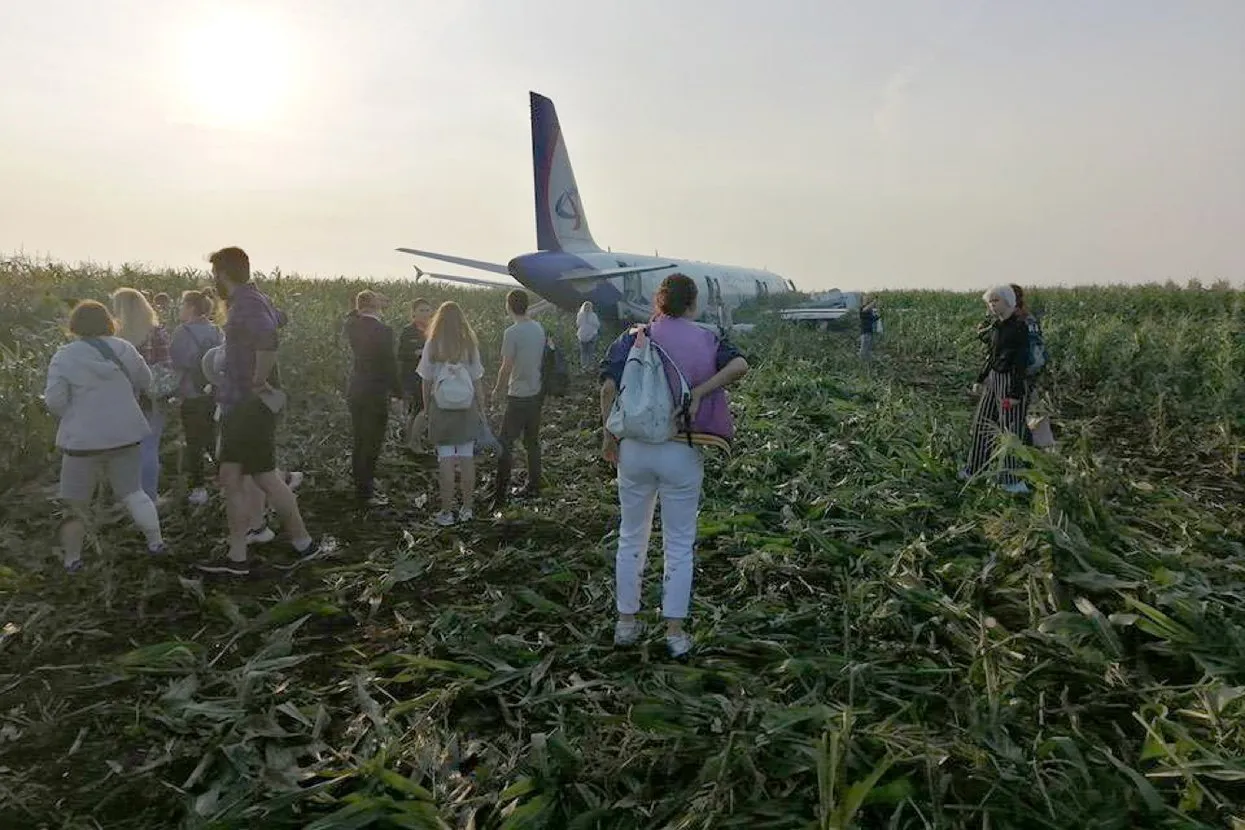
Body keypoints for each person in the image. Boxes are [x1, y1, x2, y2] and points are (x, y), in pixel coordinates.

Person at [599, 274, 750, 659]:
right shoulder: (706, 337)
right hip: (682, 447)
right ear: (691, 303)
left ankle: (626, 624)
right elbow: (740, 365)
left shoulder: (633, 336)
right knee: (679, 543)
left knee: (631, 536)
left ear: (659, 303)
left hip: (634, 449)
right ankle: (675, 632)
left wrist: (608, 435)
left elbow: (606, 388)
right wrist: (700, 391)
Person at [198, 246, 318, 576]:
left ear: (223, 274)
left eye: (214, 274)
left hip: (247, 406)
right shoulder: (253, 300)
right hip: (245, 404)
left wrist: (258, 379)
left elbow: (268, 338)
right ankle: (241, 554)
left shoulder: (246, 305)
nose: (213, 280)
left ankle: (301, 543)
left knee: (263, 477)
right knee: (235, 476)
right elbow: (279, 319)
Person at [43, 301, 167, 571]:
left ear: (75, 325)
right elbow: (146, 382)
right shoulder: (124, 349)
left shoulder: (64, 356)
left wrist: (76, 415)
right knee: (134, 492)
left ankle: (73, 560)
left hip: (82, 442)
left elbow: (54, 400)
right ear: (108, 322)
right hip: (125, 434)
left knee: (76, 504)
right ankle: (156, 542)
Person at [417, 301, 486, 526]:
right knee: (466, 459)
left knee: (445, 459)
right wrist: (482, 408)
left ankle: (447, 512)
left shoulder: (433, 343)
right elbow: (477, 380)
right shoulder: (469, 344)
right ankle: (467, 509)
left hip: (442, 407)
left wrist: (427, 409)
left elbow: (426, 381)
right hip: (466, 407)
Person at [961, 285, 1030, 494]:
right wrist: (980, 378)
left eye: (996, 301)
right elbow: (991, 356)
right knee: (982, 423)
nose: (992, 305)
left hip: (1010, 382)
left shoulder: (1019, 328)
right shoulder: (996, 327)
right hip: (994, 380)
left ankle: (1012, 482)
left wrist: (1015, 394)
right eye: (990, 302)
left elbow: (1021, 361)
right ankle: (975, 469)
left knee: (1010, 431)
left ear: (1009, 301)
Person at [112, 288, 174, 502]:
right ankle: (149, 497)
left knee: (124, 450)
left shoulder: (114, 337)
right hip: (151, 398)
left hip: (121, 399)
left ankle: (127, 496)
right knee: (149, 447)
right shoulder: (156, 332)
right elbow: (167, 366)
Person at [344, 290, 402, 504]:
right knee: (372, 443)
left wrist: (366, 303)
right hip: (375, 393)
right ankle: (365, 493)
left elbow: (352, 315)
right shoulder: (384, 331)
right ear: (376, 306)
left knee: (359, 440)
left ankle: (361, 487)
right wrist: (398, 393)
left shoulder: (352, 325)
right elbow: (389, 364)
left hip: (356, 390)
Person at [492, 290, 546, 506]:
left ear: (509, 306)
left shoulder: (512, 333)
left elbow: (506, 367)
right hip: (536, 390)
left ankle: (500, 493)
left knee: (505, 442)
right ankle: (535, 482)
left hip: (518, 393)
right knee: (532, 441)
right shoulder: (538, 328)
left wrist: (497, 389)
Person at [170, 290, 223, 506]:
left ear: (191, 308)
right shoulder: (217, 330)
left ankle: (198, 487)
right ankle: (226, 480)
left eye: (182, 305)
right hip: (214, 392)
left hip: (191, 393)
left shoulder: (182, 332)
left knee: (193, 442)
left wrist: (173, 393)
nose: (180, 309)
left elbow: (177, 364)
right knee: (213, 437)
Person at [397, 297, 434, 424]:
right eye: (422, 310)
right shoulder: (408, 331)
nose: (425, 314)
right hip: (413, 377)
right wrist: (415, 353)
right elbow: (400, 354)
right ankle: (411, 439)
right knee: (416, 409)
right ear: (414, 313)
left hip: (431, 377)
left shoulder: (435, 331)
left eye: (427, 310)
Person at [575, 301, 601, 372]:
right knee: (587, 352)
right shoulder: (590, 315)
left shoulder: (584, 315)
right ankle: (587, 366)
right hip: (586, 336)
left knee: (587, 352)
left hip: (588, 335)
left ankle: (587, 366)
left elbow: (578, 324)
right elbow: (598, 325)